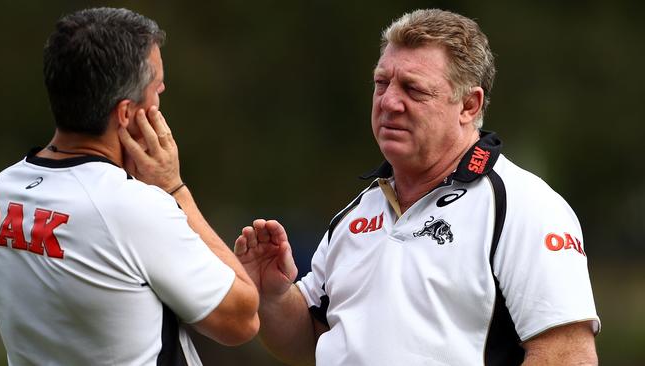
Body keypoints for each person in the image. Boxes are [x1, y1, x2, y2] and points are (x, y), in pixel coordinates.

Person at [234, 8, 600, 366]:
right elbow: (312, 341)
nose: (389, 102)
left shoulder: (525, 206)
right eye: (382, 83)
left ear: (469, 105)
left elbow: (568, 356)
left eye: (413, 89)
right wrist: (274, 294)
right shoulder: (358, 212)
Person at [0, 7, 258, 365]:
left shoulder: (2, 189)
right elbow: (242, 318)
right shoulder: (132, 207)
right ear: (126, 114)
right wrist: (174, 188)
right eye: (158, 89)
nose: (160, 101)